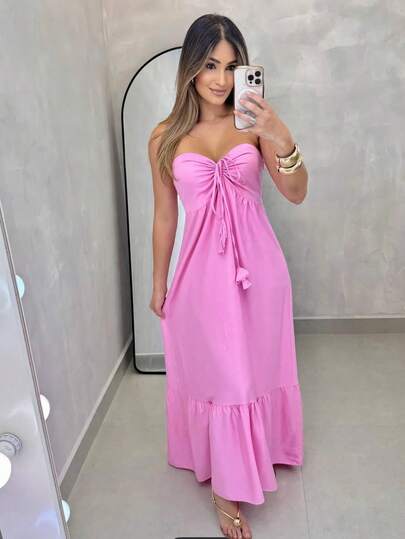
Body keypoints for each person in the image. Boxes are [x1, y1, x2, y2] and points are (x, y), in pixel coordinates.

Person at [148, 13, 308, 539]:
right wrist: (158, 282)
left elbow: (296, 192)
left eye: (231, 66)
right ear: (191, 67)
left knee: (253, 368)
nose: (220, 79)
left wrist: (280, 136)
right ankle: (227, 486)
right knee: (224, 376)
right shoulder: (164, 137)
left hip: (261, 272)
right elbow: (165, 216)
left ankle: (257, 453)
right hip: (200, 278)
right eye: (210, 65)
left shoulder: (252, 125)